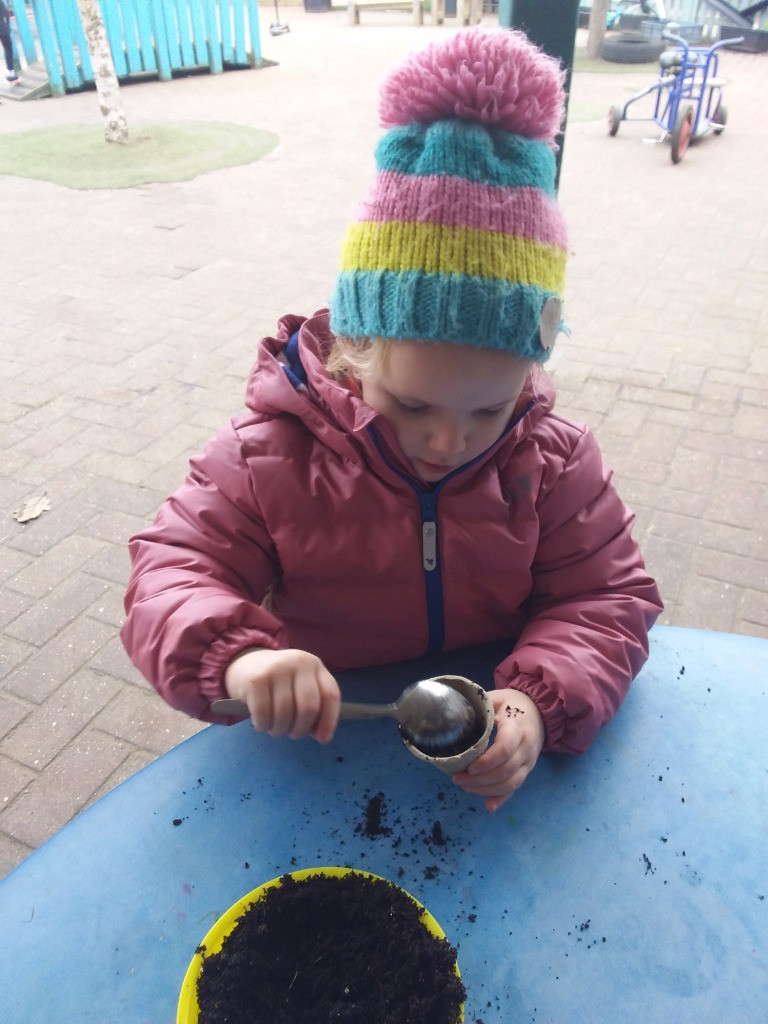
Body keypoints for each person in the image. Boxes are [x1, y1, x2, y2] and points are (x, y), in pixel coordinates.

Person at [122, 28, 662, 812]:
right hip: (318, 766)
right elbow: (169, 574)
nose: (449, 441)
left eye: (490, 408)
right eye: (412, 405)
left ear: (530, 373)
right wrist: (237, 659)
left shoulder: (554, 463)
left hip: (493, 773)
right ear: (352, 353)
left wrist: (539, 700)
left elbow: (608, 600)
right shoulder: (265, 457)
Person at [0, 1, 19, 84]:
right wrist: (7, 23)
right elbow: (5, 12)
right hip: (2, 28)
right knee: (8, 47)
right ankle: (10, 73)